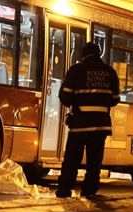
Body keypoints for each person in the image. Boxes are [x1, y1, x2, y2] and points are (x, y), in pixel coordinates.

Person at [56, 42, 120, 198]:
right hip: (100, 127)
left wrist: (75, 103)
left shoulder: (76, 71)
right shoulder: (110, 72)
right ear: (99, 54)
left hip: (80, 125)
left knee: (72, 160)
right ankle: (89, 191)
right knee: (94, 162)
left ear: (83, 55)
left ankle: (65, 190)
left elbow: (64, 96)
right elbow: (115, 100)